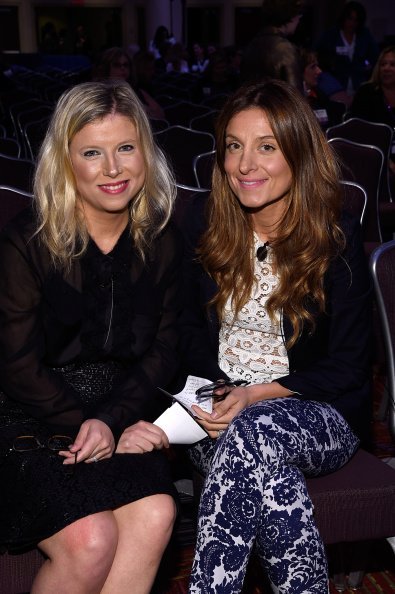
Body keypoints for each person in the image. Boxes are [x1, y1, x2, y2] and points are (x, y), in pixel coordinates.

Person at [179, 79, 372, 593]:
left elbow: (350, 366)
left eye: (267, 146)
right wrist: (219, 394)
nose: (246, 165)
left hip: (316, 410)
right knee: (265, 466)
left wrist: (255, 396)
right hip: (218, 415)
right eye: (234, 147)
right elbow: (187, 337)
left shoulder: (336, 236)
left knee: (255, 431)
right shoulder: (203, 226)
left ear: (299, 152)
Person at [0, 80, 182, 593]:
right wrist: (90, 423)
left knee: (155, 514)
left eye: (126, 148)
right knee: (92, 538)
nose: (113, 169)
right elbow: (15, 365)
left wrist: (114, 419)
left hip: (120, 406)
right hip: (30, 413)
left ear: (145, 151)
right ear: (65, 162)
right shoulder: (25, 243)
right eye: (92, 153)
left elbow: (165, 347)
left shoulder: (164, 238)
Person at [316, 1, 379, 97]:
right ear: (344, 18)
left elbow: (374, 56)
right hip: (335, 86)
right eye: (350, 19)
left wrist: (366, 66)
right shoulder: (331, 35)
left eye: (356, 20)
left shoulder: (365, 36)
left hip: (359, 84)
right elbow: (321, 56)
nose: (352, 23)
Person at [240, 0, 304, 92]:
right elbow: (295, 97)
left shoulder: (251, 46)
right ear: (290, 16)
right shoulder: (285, 50)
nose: (298, 20)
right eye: (298, 15)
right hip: (279, 105)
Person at [93, 47, 165, 120]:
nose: (122, 68)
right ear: (106, 68)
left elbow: (160, 115)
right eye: (117, 65)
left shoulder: (136, 90)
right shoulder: (97, 92)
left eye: (126, 65)